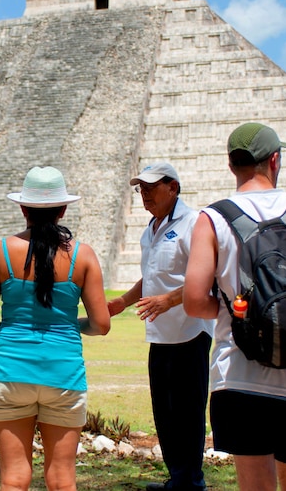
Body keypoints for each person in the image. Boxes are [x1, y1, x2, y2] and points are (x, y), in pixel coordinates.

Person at [183, 123, 286, 491]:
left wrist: (239, 312)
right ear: (274, 159)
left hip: (240, 376)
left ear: (231, 165)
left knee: (255, 484)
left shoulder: (212, 218)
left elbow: (195, 301)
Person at [0, 166, 111, 491]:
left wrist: (3, 332)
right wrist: (72, 325)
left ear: (23, 208)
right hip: (63, 374)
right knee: (62, 478)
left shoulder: (0, 251)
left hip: (9, 371)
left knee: (14, 477)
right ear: (63, 209)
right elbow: (101, 324)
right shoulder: (83, 255)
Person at [107, 162, 214, 491]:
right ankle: (177, 478)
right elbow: (152, 277)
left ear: (174, 188)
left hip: (190, 331)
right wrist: (123, 302)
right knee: (165, 412)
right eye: (141, 188)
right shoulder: (150, 229)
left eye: (152, 187)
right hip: (160, 334)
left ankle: (192, 482)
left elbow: (206, 278)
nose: (145, 194)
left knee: (188, 411)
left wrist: (168, 300)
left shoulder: (194, 223)